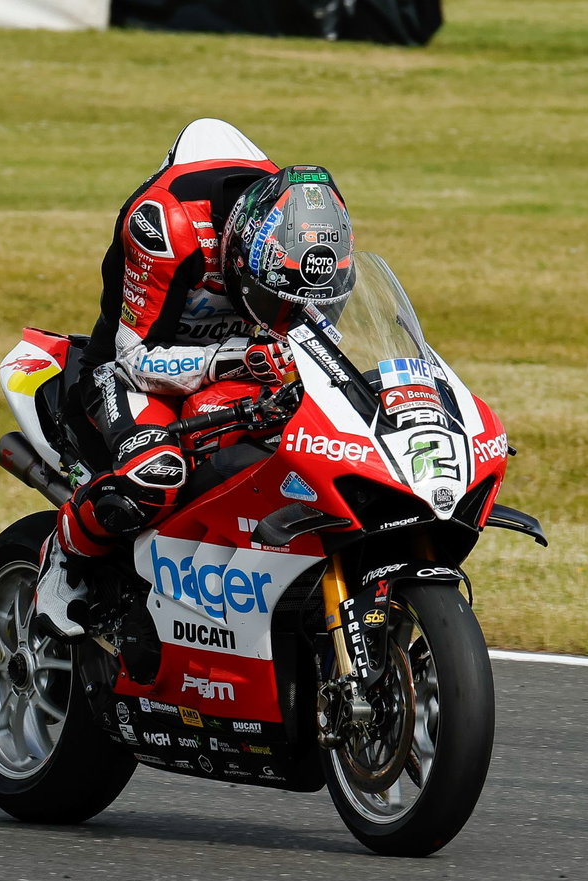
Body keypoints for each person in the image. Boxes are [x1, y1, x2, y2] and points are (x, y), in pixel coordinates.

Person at [33, 118, 357, 641]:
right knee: (154, 475)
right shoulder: (167, 224)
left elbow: (316, 337)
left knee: (308, 454)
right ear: (238, 253)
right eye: (273, 299)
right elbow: (132, 356)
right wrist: (234, 357)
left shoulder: (308, 232)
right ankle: (64, 563)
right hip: (129, 370)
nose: (284, 313)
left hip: (242, 364)